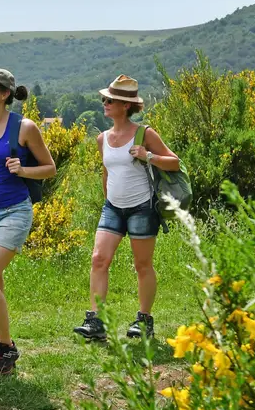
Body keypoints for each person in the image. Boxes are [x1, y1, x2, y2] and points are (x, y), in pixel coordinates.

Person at [0, 68, 57, 376]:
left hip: (14, 211)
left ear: (4, 94)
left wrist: (23, 170)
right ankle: (4, 353)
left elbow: (49, 169)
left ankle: (6, 349)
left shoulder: (25, 128)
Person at [73, 74, 180, 342]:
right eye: (104, 99)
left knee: (142, 265)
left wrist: (149, 156)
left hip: (142, 207)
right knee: (99, 259)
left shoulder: (145, 134)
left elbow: (174, 163)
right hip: (112, 208)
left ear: (124, 105)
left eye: (110, 100)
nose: (104, 103)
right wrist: (108, 197)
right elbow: (106, 172)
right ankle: (96, 321)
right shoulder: (102, 138)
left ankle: (144, 320)